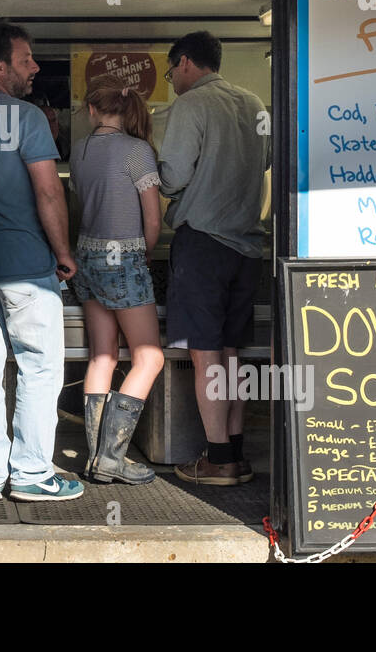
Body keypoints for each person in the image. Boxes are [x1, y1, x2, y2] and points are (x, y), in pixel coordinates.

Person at [0, 22, 83, 502]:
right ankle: (31, 473)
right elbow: (49, 191)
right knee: (39, 367)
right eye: (26, 59)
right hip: (28, 265)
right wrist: (64, 252)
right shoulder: (27, 118)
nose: (35, 68)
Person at [157, 31, 270, 486]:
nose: (172, 82)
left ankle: (217, 458)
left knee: (205, 356)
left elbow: (172, 177)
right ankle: (237, 453)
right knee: (233, 353)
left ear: (185, 62)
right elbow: (263, 163)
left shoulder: (191, 107)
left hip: (203, 243)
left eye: (170, 73)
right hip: (248, 246)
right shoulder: (255, 104)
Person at [69, 75, 164, 485]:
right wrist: (146, 253)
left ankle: (95, 459)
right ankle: (111, 458)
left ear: (92, 110)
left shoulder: (79, 150)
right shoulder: (137, 151)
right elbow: (153, 218)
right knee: (149, 357)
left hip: (87, 255)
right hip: (124, 256)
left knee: (102, 356)